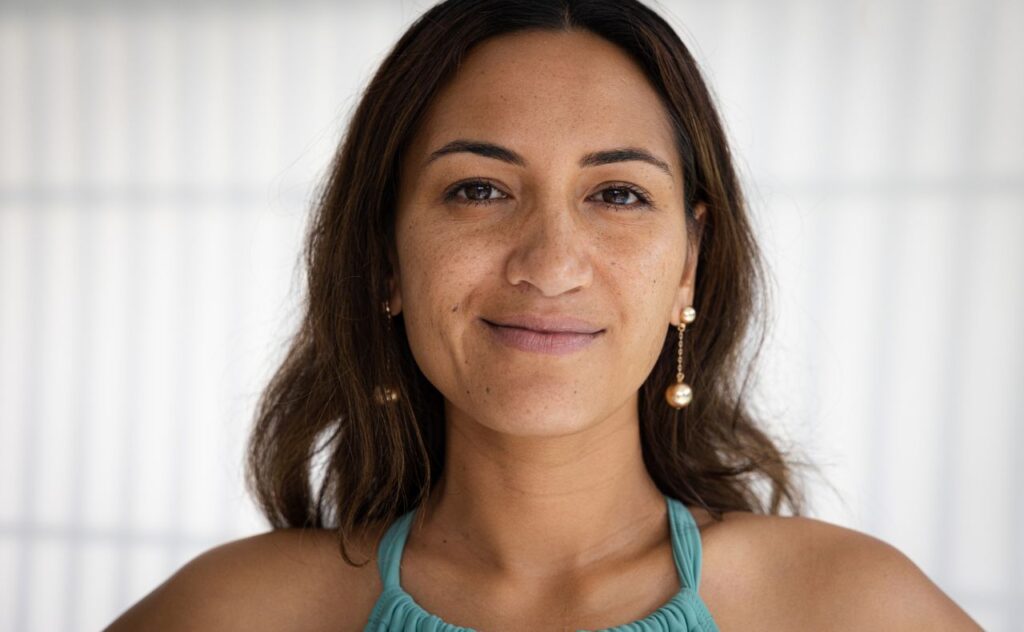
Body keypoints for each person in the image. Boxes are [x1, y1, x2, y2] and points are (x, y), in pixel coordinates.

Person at [106, 0, 981, 630]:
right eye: (478, 189)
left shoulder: (845, 608)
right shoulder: (235, 614)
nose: (552, 264)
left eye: (618, 193)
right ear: (384, 258)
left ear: (690, 263)